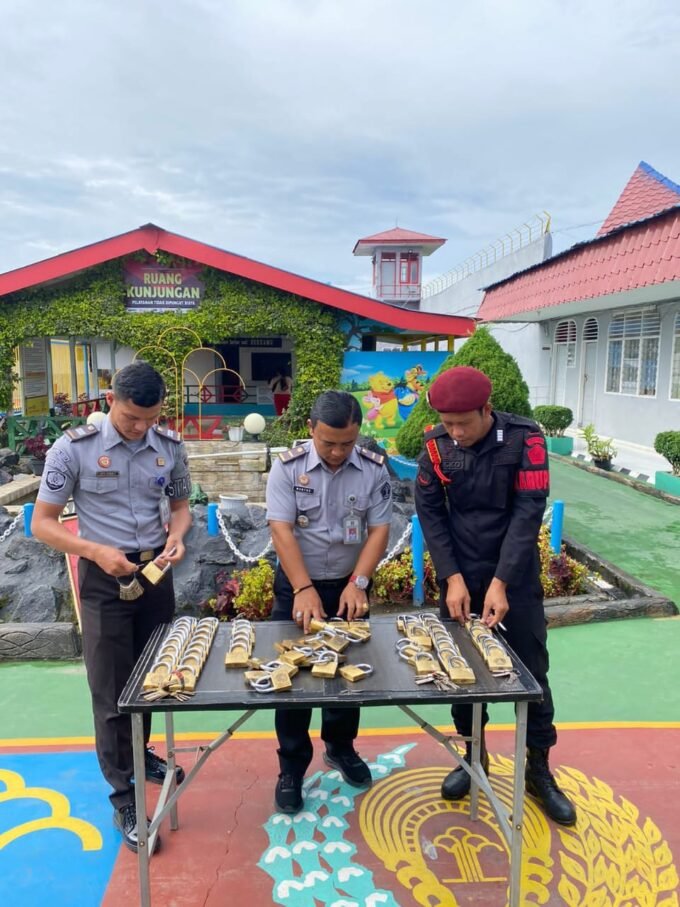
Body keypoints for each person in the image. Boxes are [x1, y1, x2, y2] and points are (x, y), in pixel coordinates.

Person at [31, 361, 193, 851]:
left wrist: (177, 537)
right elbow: (42, 522)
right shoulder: (73, 448)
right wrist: (95, 551)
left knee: (156, 678)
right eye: (130, 419)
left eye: (150, 418)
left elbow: (182, 507)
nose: (141, 428)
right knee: (110, 688)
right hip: (103, 577)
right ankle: (124, 793)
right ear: (110, 400)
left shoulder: (169, 448)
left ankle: (142, 754)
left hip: (156, 574)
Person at [414, 365, 576, 826]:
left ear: (487, 409)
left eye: (464, 422)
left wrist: (503, 582)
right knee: (463, 673)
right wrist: (452, 578)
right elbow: (431, 515)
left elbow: (528, 514)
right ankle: (472, 757)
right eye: (448, 423)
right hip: (461, 573)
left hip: (515, 576)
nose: (457, 432)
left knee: (532, 674)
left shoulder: (526, 441)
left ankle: (538, 771)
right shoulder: (435, 447)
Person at [265, 390, 392, 813]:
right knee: (293, 679)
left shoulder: (373, 469)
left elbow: (378, 530)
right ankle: (291, 767)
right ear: (311, 432)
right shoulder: (287, 469)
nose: (338, 452)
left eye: (347, 443)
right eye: (328, 443)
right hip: (298, 584)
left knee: (347, 673)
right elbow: (281, 530)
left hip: (349, 583)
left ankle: (340, 747)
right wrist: (303, 589)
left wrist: (359, 582)